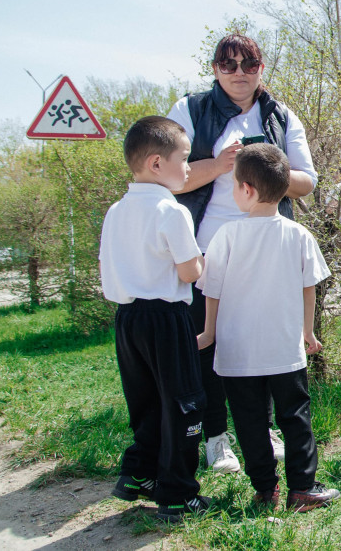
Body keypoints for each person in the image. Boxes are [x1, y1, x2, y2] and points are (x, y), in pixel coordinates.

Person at [167, 33, 318, 474]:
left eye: (248, 65)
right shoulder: (190, 110)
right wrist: (222, 164)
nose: (238, 73)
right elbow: (169, 178)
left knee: (263, 344)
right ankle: (217, 437)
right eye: (228, 64)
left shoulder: (280, 115)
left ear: (260, 69)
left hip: (266, 254)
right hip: (203, 251)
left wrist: (266, 166)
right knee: (208, 346)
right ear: (215, 68)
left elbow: (307, 181)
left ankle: (264, 428)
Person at [196, 144, 340, 512]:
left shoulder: (226, 235)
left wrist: (209, 332)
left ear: (246, 189)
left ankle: (264, 490)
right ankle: (302, 489)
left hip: (236, 351)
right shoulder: (298, 234)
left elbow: (211, 290)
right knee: (295, 419)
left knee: (249, 422)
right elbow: (310, 288)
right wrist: (307, 332)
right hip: (284, 349)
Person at [99, 116, 211, 522]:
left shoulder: (116, 210)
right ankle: (179, 493)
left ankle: (137, 473)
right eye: (184, 158)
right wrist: (202, 259)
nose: (188, 167)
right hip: (165, 317)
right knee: (184, 404)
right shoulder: (171, 210)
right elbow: (189, 273)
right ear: (156, 163)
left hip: (127, 318)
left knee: (145, 401)